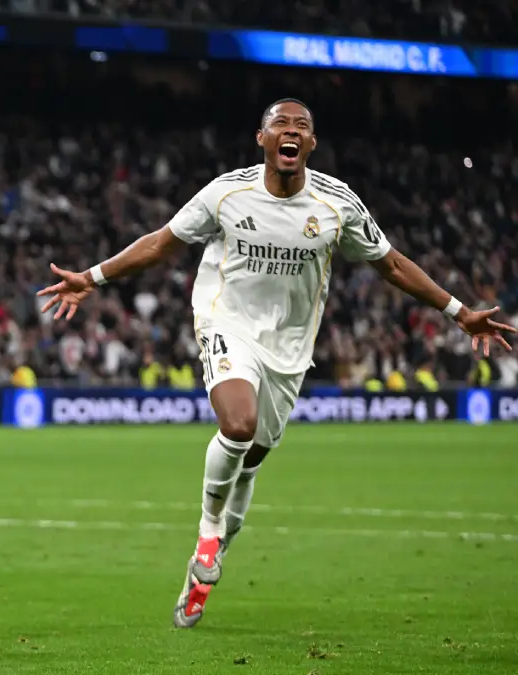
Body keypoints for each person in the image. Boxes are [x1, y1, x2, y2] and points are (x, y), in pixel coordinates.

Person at [36, 99, 515, 629]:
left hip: (289, 348)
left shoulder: (337, 205)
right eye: (280, 125)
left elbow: (393, 264)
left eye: (301, 127)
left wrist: (459, 312)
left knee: (254, 456)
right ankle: (208, 530)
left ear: (311, 145)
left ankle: (205, 569)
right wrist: (93, 278)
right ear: (261, 140)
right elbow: (161, 243)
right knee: (237, 426)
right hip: (226, 322)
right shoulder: (226, 193)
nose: (291, 131)